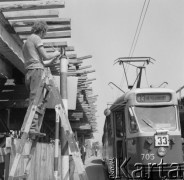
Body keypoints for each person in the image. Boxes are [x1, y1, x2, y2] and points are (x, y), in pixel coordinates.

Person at [22, 20, 61, 133]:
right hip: (37, 72)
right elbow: (45, 55)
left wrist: (53, 60)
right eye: (45, 33)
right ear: (42, 30)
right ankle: (31, 128)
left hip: (29, 73)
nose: (44, 35)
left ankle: (30, 127)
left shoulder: (26, 43)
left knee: (35, 100)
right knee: (35, 101)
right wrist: (57, 53)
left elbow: (41, 61)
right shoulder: (36, 38)